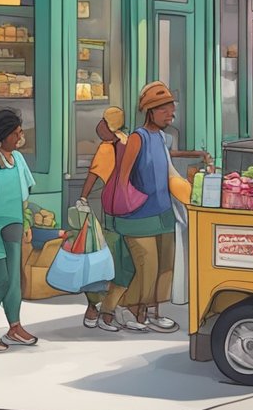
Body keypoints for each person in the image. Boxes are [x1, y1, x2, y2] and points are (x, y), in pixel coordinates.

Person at [98, 82, 181, 334]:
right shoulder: (138, 137)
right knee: (148, 266)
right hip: (139, 215)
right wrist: (126, 207)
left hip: (163, 212)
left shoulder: (162, 137)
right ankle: (138, 312)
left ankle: (153, 312)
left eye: (171, 109)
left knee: (165, 266)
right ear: (150, 111)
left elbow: (165, 164)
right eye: (164, 109)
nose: (170, 114)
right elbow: (123, 177)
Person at [0, 109, 38, 351]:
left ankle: (14, 326)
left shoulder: (19, 160)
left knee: (14, 280)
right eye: (17, 133)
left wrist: (27, 222)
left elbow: (25, 195)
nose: (21, 136)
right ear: (5, 135)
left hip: (14, 224)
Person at [77, 108, 128, 329]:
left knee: (98, 256)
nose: (98, 126)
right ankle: (109, 308)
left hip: (103, 206)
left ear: (109, 126)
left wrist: (83, 197)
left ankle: (93, 308)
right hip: (124, 207)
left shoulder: (107, 149)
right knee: (119, 258)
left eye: (103, 122)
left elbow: (93, 175)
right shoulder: (127, 141)